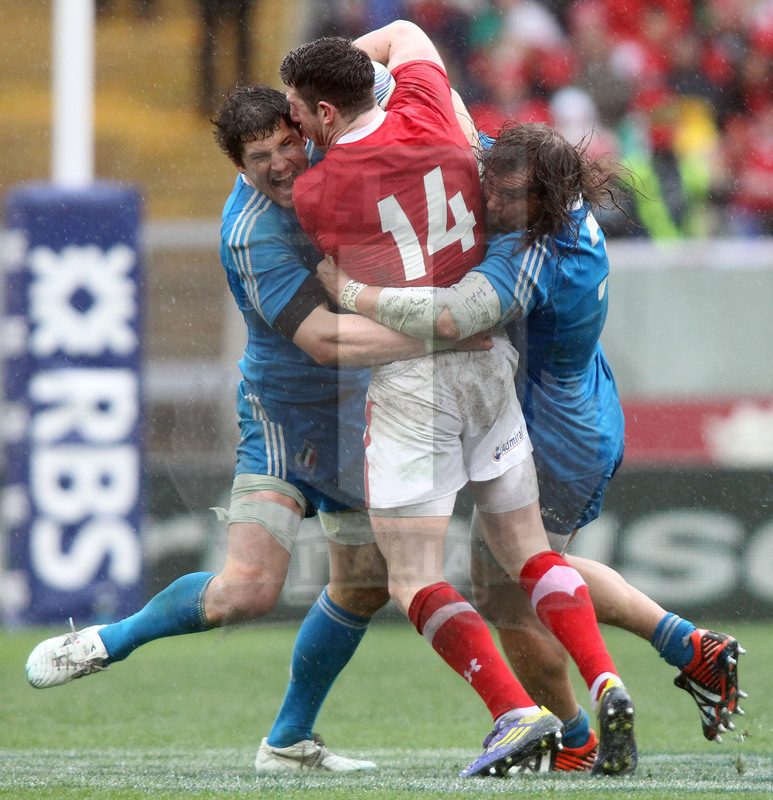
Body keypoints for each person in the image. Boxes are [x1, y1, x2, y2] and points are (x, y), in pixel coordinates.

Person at [24, 83, 455, 775]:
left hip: (357, 411)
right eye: (262, 155)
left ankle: (287, 741)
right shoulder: (254, 230)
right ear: (237, 164)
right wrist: (441, 334)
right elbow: (322, 340)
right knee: (248, 590)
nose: (283, 163)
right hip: (287, 415)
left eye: (289, 143)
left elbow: (396, 46)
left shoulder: (333, 160)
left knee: (365, 582)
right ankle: (111, 640)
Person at [317, 120, 747, 755]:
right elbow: (449, 107)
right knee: (521, 578)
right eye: (493, 187)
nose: (492, 202)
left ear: (544, 201)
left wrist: (349, 291)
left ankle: (586, 729)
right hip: (576, 404)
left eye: (511, 201)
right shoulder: (530, 171)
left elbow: (452, 317)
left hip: (557, 429)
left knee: (509, 591)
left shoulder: (536, 254)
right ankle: (676, 654)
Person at [280, 20, 637, 777]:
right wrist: (359, 59)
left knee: (410, 576)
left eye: (298, 111)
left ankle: (514, 713)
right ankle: (603, 677)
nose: (294, 127)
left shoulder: (313, 190)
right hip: (491, 365)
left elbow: (337, 249)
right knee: (527, 555)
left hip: (418, 381)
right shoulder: (433, 105)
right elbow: (405, 32)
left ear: (325, 114)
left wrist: (351, 287)